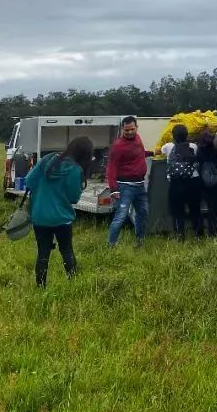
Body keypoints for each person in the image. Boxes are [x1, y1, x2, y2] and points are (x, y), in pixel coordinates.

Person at [25, 136, 92, 286]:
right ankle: (73, 284)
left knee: (43, 253)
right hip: (62, 218)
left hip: (40, 216)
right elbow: (73, 198)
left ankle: (40, 287)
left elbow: (29, 181)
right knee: (67, 251)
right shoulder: (75, 170)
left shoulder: (47, 159)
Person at [106, 116, 149, 247]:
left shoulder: (138, 139)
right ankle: (110, 245)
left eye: (132, 129)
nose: (130, 132)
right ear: (122, 129)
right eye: (126, 130)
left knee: (143, 213)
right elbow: (111, 168)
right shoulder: (118, 146)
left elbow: (139, 154)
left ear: (136, 127)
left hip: (140, 185)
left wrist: (151, 153)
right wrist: (114, 189)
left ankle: (140, 242)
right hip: (124, 186)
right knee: (121, 216)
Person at [162, 124, 202, 240]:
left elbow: (158, 151)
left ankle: (180, 235)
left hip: (176, 183)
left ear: (173, 136)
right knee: (195, 209)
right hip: (193, 181)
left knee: (177, 210)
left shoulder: (168, 146)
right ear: (187, 135)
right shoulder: (193, 146)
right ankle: (197, 235)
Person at [195, 129, 217, 236]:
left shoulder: (199, 151)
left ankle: (202, 230)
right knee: (216, 206)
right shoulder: (216, 150)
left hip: (203, 183)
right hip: (216, 182)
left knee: (204, 209)